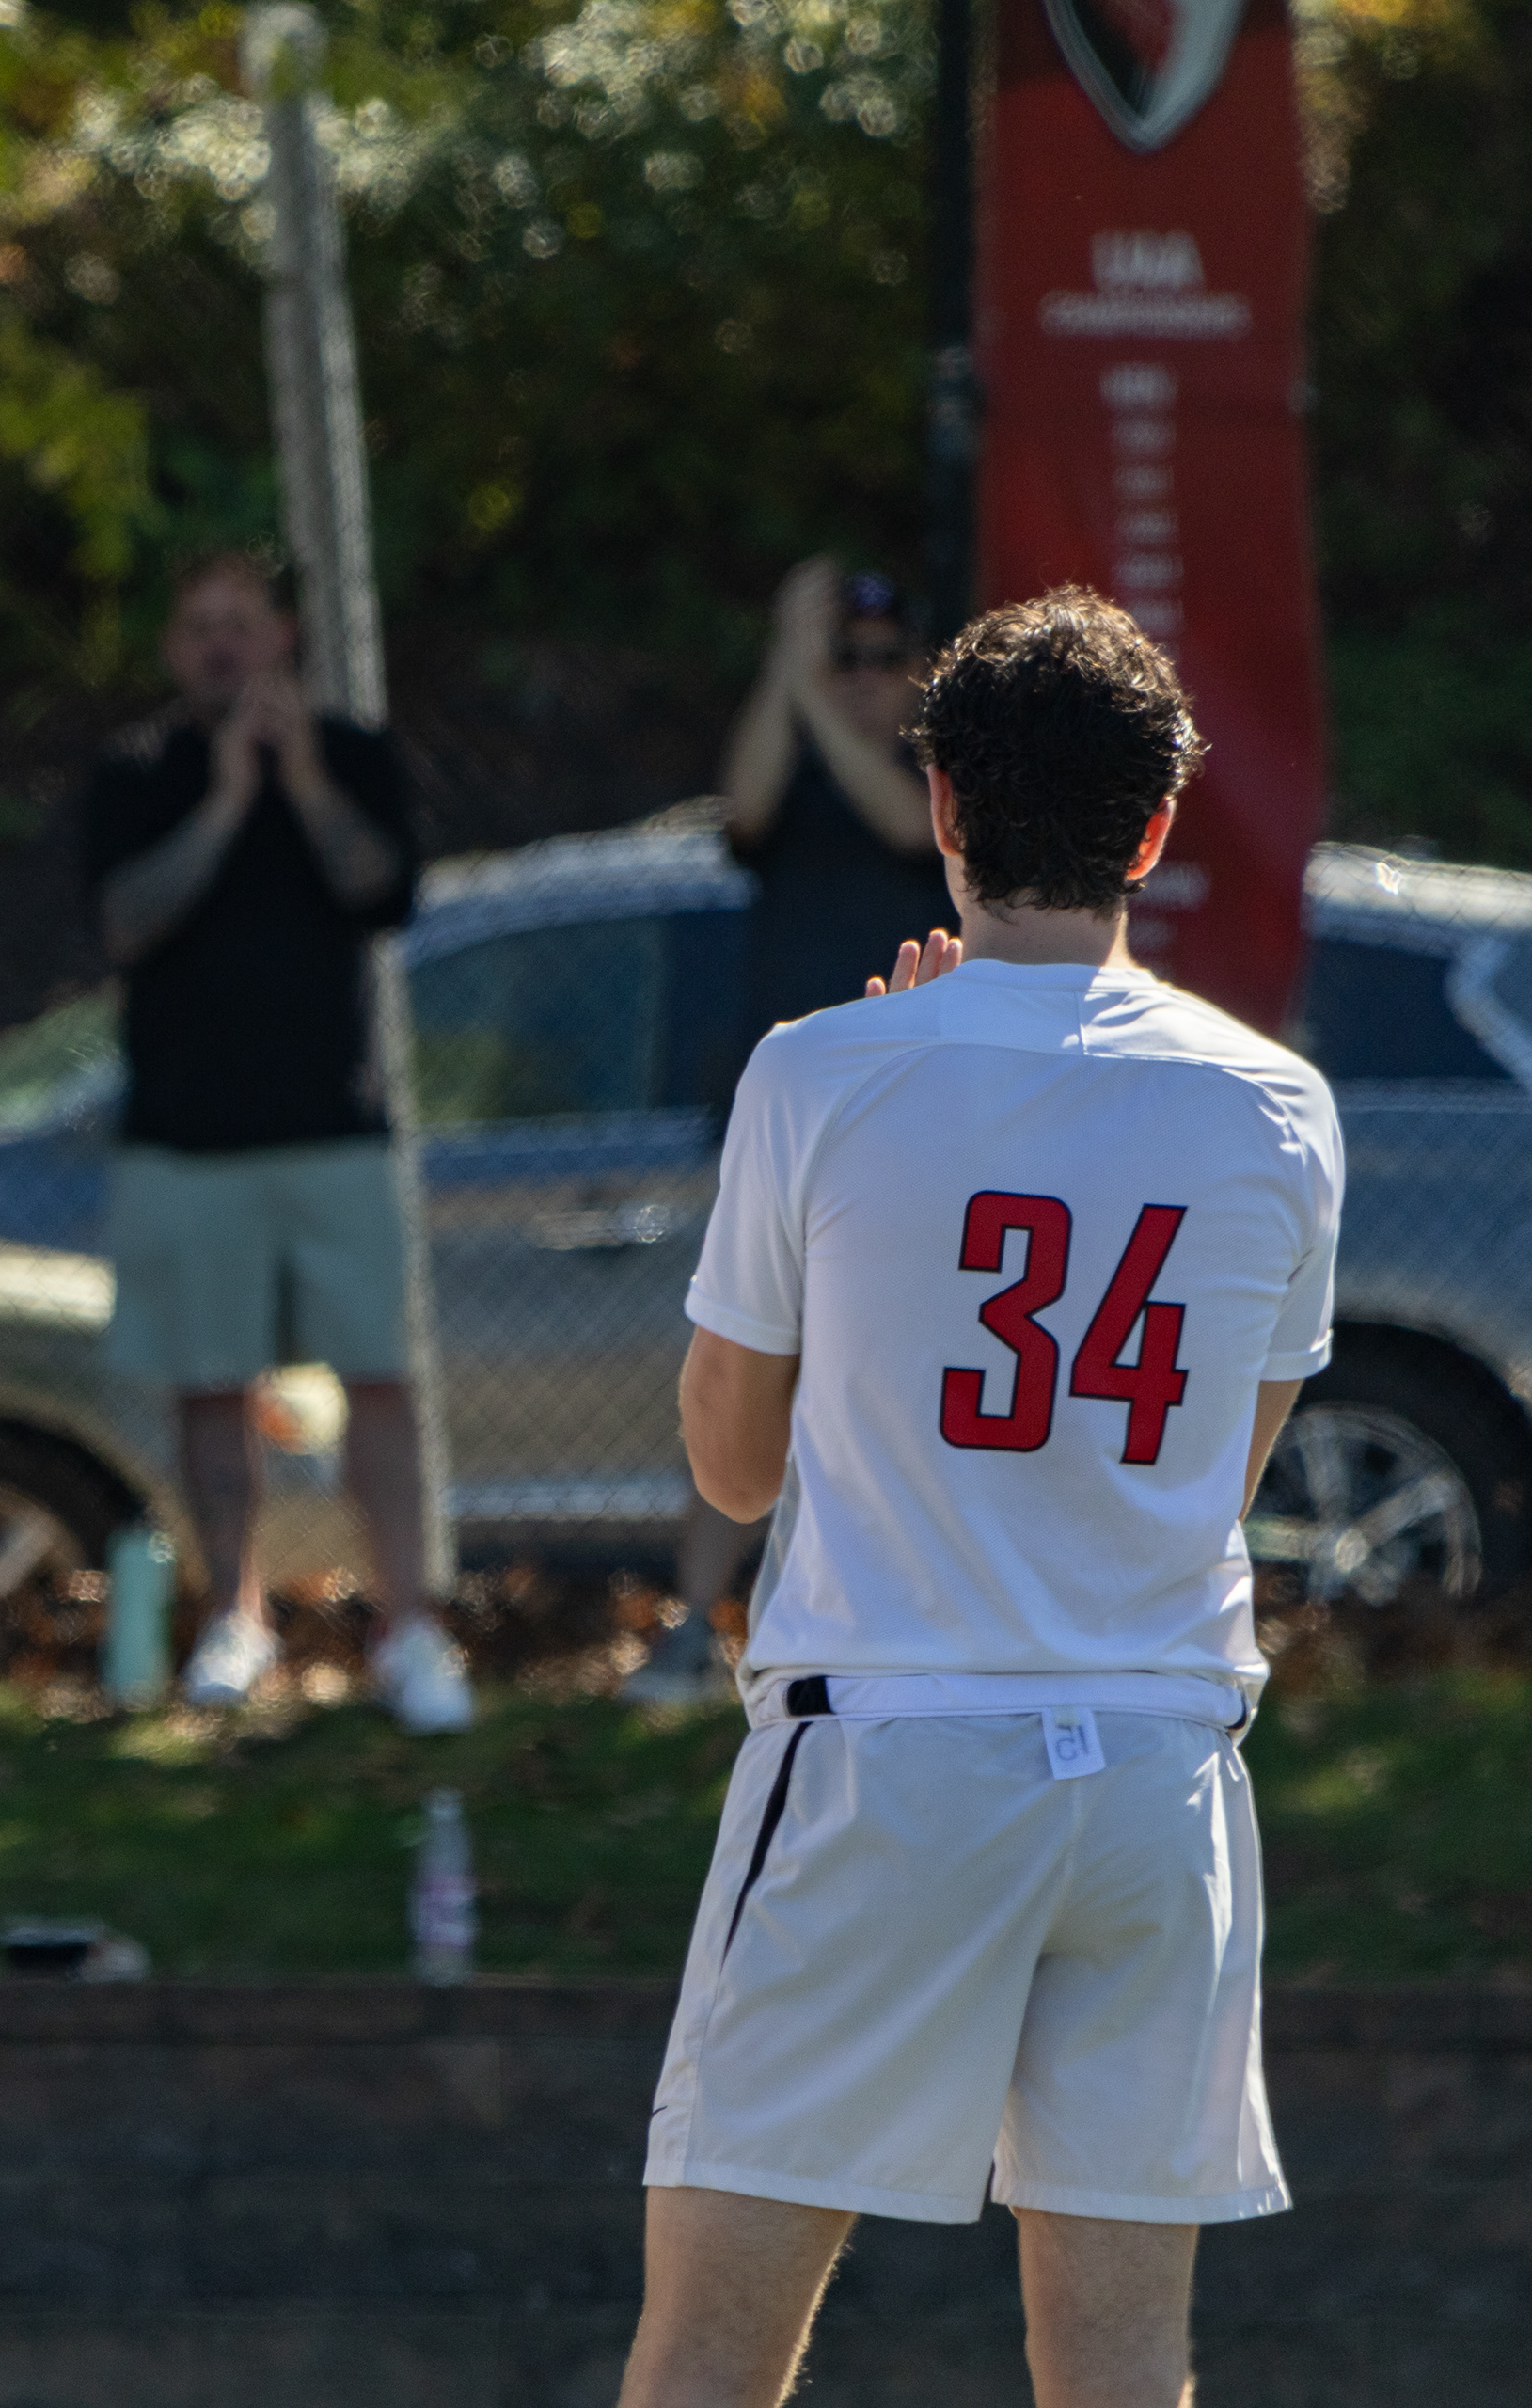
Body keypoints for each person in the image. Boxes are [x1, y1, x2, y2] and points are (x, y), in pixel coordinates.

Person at [623, 590, 1334, 2408]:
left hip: (893, 1748)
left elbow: (731, 1466)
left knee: (709, 2349)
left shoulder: (821, 1072)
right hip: (1159, 1770)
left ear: (940, 804)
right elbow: (1210, 1475)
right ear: (1153, 832)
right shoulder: (1278, 1107)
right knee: (1122, 2368)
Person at [78, 549, 463, 1726]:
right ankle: (236, 1619)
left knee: (379, 1379)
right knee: (211, 1388)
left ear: (284, 638)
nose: (221, 647)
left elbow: (382, 891)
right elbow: (126, 923)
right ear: (172, 648)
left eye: (240, 624)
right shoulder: (138, 773)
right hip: (187, 1142)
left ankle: (409, 1629)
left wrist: (296, 780)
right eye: (200, 627)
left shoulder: (352, 755)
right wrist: (226, 803)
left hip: (334, 1131)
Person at [632, 559, 950, 1703]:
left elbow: (906, 828)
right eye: (841, 658)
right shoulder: (798, 762)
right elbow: (747, 811)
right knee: (749, 1358)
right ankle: (693, 1623)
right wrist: (785, 660)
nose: (858, 681)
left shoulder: (941, 780)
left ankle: (880, 1621)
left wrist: (812, 692)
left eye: (880, 660)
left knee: (887, 1373)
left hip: (908, 1121)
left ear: (920, 670)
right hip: (791, 1117)